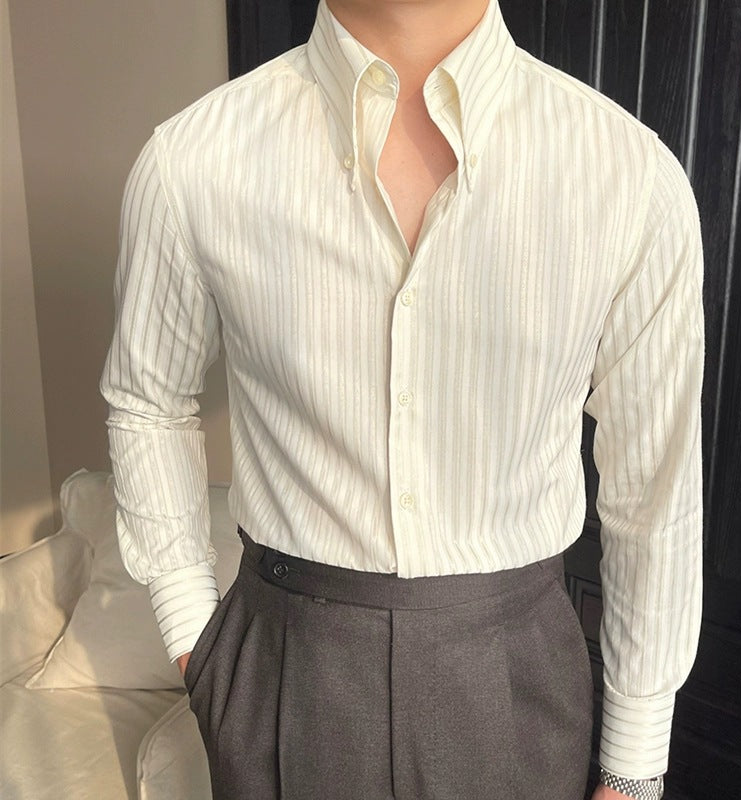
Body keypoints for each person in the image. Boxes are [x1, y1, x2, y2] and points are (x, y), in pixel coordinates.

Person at [99, 0, 704, 797]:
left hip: (519, 680)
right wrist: (194, 637)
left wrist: (634, 769)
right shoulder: (192, 162)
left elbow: (654, 486)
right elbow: (149, 401)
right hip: (283, 669)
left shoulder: (629, 178)